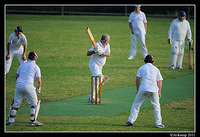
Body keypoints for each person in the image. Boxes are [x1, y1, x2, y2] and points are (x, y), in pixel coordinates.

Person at [125, 55, 164, 128]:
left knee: (136, 105)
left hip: (143, 89)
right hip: (153, 90)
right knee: (156, 106)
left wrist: (137, 89)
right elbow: (160, 80)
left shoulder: (141, 68)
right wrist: (159, 91)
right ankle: (158, 123)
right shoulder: (156, 69)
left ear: (145, 60)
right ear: (152, 61)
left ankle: (130, 121)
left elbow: (137, 79)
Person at [6, 51, 43, 127]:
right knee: (34, 103)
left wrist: (20, 84)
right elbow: (39, 80)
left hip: (19, 85)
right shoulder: (36, 67)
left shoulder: (22, 65)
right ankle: (33, 121)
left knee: (15, 104)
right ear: (35, 58)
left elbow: (17, 76)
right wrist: (38, 88)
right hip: (29, 86)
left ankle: (10, 121)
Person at [87, 34, 111, 102]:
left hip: (100, 67)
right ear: (106, 41)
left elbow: (108, 54)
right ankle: (92, 98)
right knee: (98, 79)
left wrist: (102, 53)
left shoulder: (107, 45)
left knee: (97, 81)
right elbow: (87, 53)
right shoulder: (97, 45)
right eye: (108, 40)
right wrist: (94, 51)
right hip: (94, 65)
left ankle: (91, 97)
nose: (109, 41)